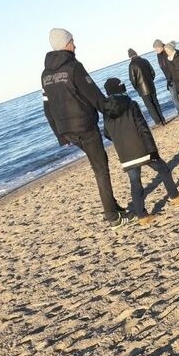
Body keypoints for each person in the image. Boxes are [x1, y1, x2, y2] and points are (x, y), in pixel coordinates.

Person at [41, 28, 133, 228]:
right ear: (66, 44)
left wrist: (60, 135)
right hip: (84, 126)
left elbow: (47, 107)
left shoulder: (45, 74)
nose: (75, 45)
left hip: (68, 131)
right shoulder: (74, 67)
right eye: (73, 41)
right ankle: (112, 215)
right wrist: (116, 110)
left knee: (98, 163)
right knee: (100, 166)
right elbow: (94, 95)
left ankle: (113, 206)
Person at [102, 78, 179, 226]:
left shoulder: (106, 112)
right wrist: (152, 150)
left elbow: (107, 134)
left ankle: (142, 216)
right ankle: (175, 196)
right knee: (164, 169)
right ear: (120, 89)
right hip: (141, 148)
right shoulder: (131, 104)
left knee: (135, 183)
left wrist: (120, 138)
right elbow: (142, 128)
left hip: (125, 154)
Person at [127, 49, 166, 126]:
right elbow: (153, 73)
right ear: (136, 53)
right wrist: (150, 81)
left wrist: (137, 88)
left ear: (130, 56)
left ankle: (158, 122)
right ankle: (162, 119)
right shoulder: (145, 60)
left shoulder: (132, 65)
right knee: (156, 103)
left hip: (142, 89)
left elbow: (133, 79)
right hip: (151, 85)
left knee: (150, 106)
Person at [152, 38, 179, 118]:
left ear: (160, 46)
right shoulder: (158, 55)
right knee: (174, 97)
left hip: (176, 77)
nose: (155, 50)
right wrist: (168, 79)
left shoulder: (167, 50)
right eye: (154, 49)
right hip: (169, 79)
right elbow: (164, 68)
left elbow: (174, 60)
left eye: (156, 48)